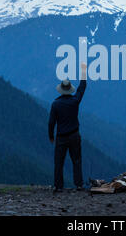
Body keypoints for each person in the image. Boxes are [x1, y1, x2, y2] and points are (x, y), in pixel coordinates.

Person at [49, 63, 87, 192]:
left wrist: (51, 136)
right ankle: (79, 185)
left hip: (61, 137)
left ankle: (58, 186)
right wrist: (83, 72)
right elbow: (82, 88)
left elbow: (51, 122)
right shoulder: (75, 101)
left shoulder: (55, 104)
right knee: (76, 160)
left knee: (59, 162)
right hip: (74, 135)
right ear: (70, 89)